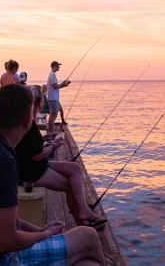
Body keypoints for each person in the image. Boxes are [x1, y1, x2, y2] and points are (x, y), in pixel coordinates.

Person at [0, 84, 105, 265]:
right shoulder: (1, 161)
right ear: (28, 120)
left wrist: (39, 230)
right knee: (88, 236)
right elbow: (7, 241)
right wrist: (45, 235)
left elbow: (10, 220)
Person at [16, 86, 108, 230]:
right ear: (40, 103)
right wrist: (54, 146)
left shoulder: (27, 119)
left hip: (33, 165)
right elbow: (36, 155)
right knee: (69, 185)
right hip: (30, 171)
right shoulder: (28, 122)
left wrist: (45, 138)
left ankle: (84, 211)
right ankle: (82, 223)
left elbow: (29, 147)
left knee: (75, 168)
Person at [46, 61, 70, 133]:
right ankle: (50, 131)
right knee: (54, 114)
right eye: (57, 66)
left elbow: (56, 87)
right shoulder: (52, 75)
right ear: (54, 67)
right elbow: (55, 86)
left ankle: (49, 130)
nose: (59, 67)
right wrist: (62, 83)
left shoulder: (52, 74)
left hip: (53, 97)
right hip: (53, 98)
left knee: (52, 114)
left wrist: (64, 85)